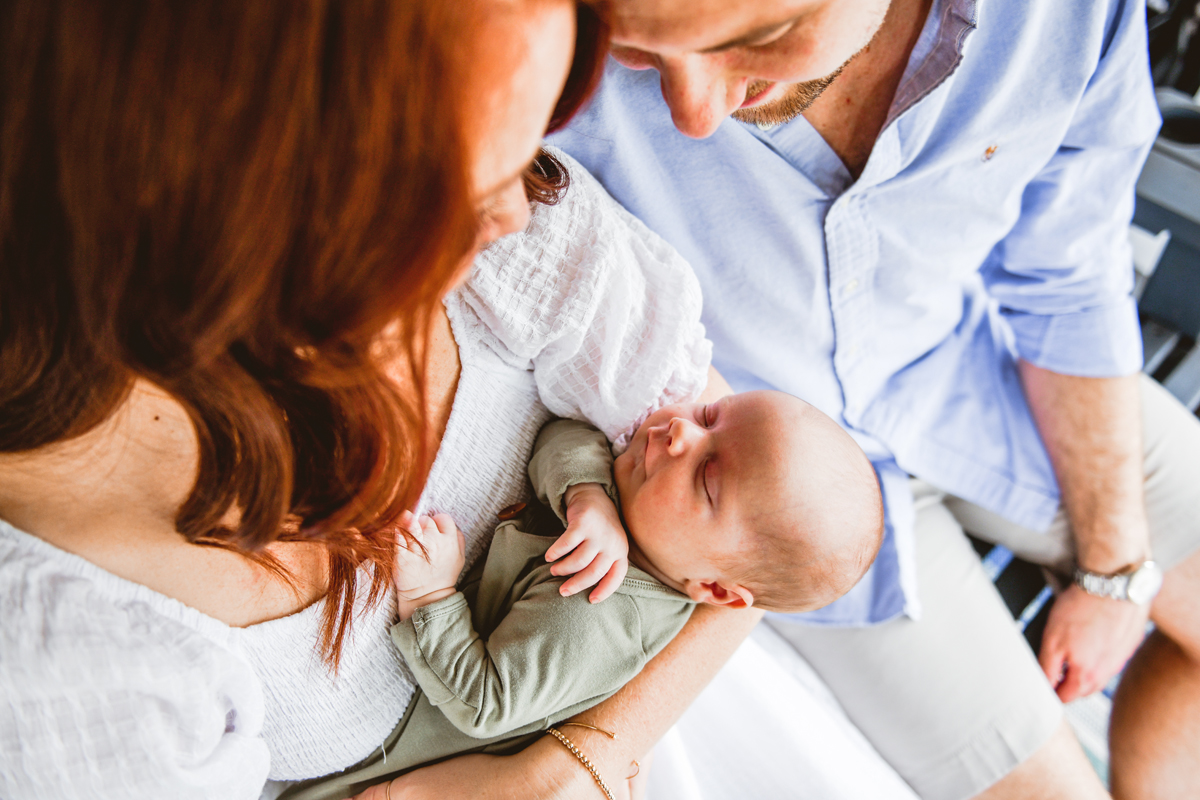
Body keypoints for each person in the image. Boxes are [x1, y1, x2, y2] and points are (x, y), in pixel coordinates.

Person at [0, 2, 787, 798]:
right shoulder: (71, 661)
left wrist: (575, 765)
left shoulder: (521, 237)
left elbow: (764, 522)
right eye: (469, 185)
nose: (519, 207)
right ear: (247, 190)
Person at [548, 0, 1200, 798]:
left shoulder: (1060, 18)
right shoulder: (526, 41)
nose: (692, 115)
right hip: (765, 488)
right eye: (639, 56)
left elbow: (1066, 279)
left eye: (754, 39)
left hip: (974, 374)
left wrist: (1114, 565)